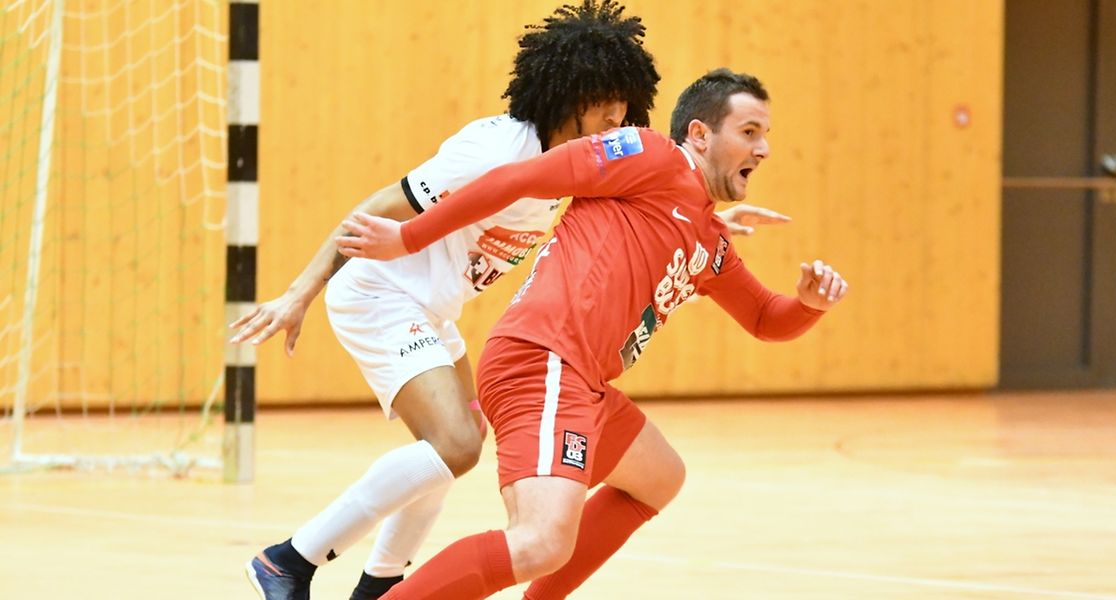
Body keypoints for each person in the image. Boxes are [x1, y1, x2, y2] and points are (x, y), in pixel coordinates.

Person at [231, 3, 786, 598]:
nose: (616, 120)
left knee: (450, 444)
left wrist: (709, 225)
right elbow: (373, 211)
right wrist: (299, 292)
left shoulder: (571, 170)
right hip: (380, 291)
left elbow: (634, 242)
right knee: (456, 445)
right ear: (569, 94)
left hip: (430, 308)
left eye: (626, 108)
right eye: (604, 105)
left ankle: (381, 580)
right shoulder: (500, 149)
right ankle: (291, 559)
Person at [337, 69, 848, 600]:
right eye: (749, 131)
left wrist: (809, 305)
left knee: (658, 478)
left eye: (765, 135)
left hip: (581, 379)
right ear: (699, 134)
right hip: (544, 359)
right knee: (538, 543)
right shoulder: (649, 154)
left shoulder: (710, 238)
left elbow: (766, 318)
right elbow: (521, 178)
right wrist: (408, 236)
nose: (762, 148)